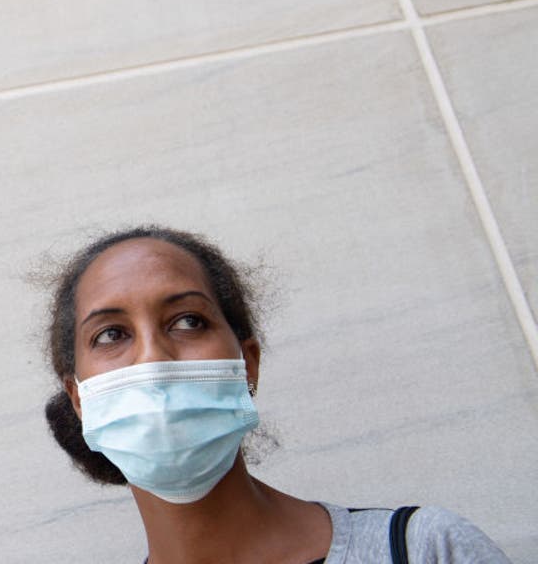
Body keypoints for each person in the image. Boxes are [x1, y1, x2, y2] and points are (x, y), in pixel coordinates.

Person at [41, 225, 511, 563]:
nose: (153, 359)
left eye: (188, 321)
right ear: (80, 398)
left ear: (247, 364)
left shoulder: (424, 549)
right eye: (111, 334)